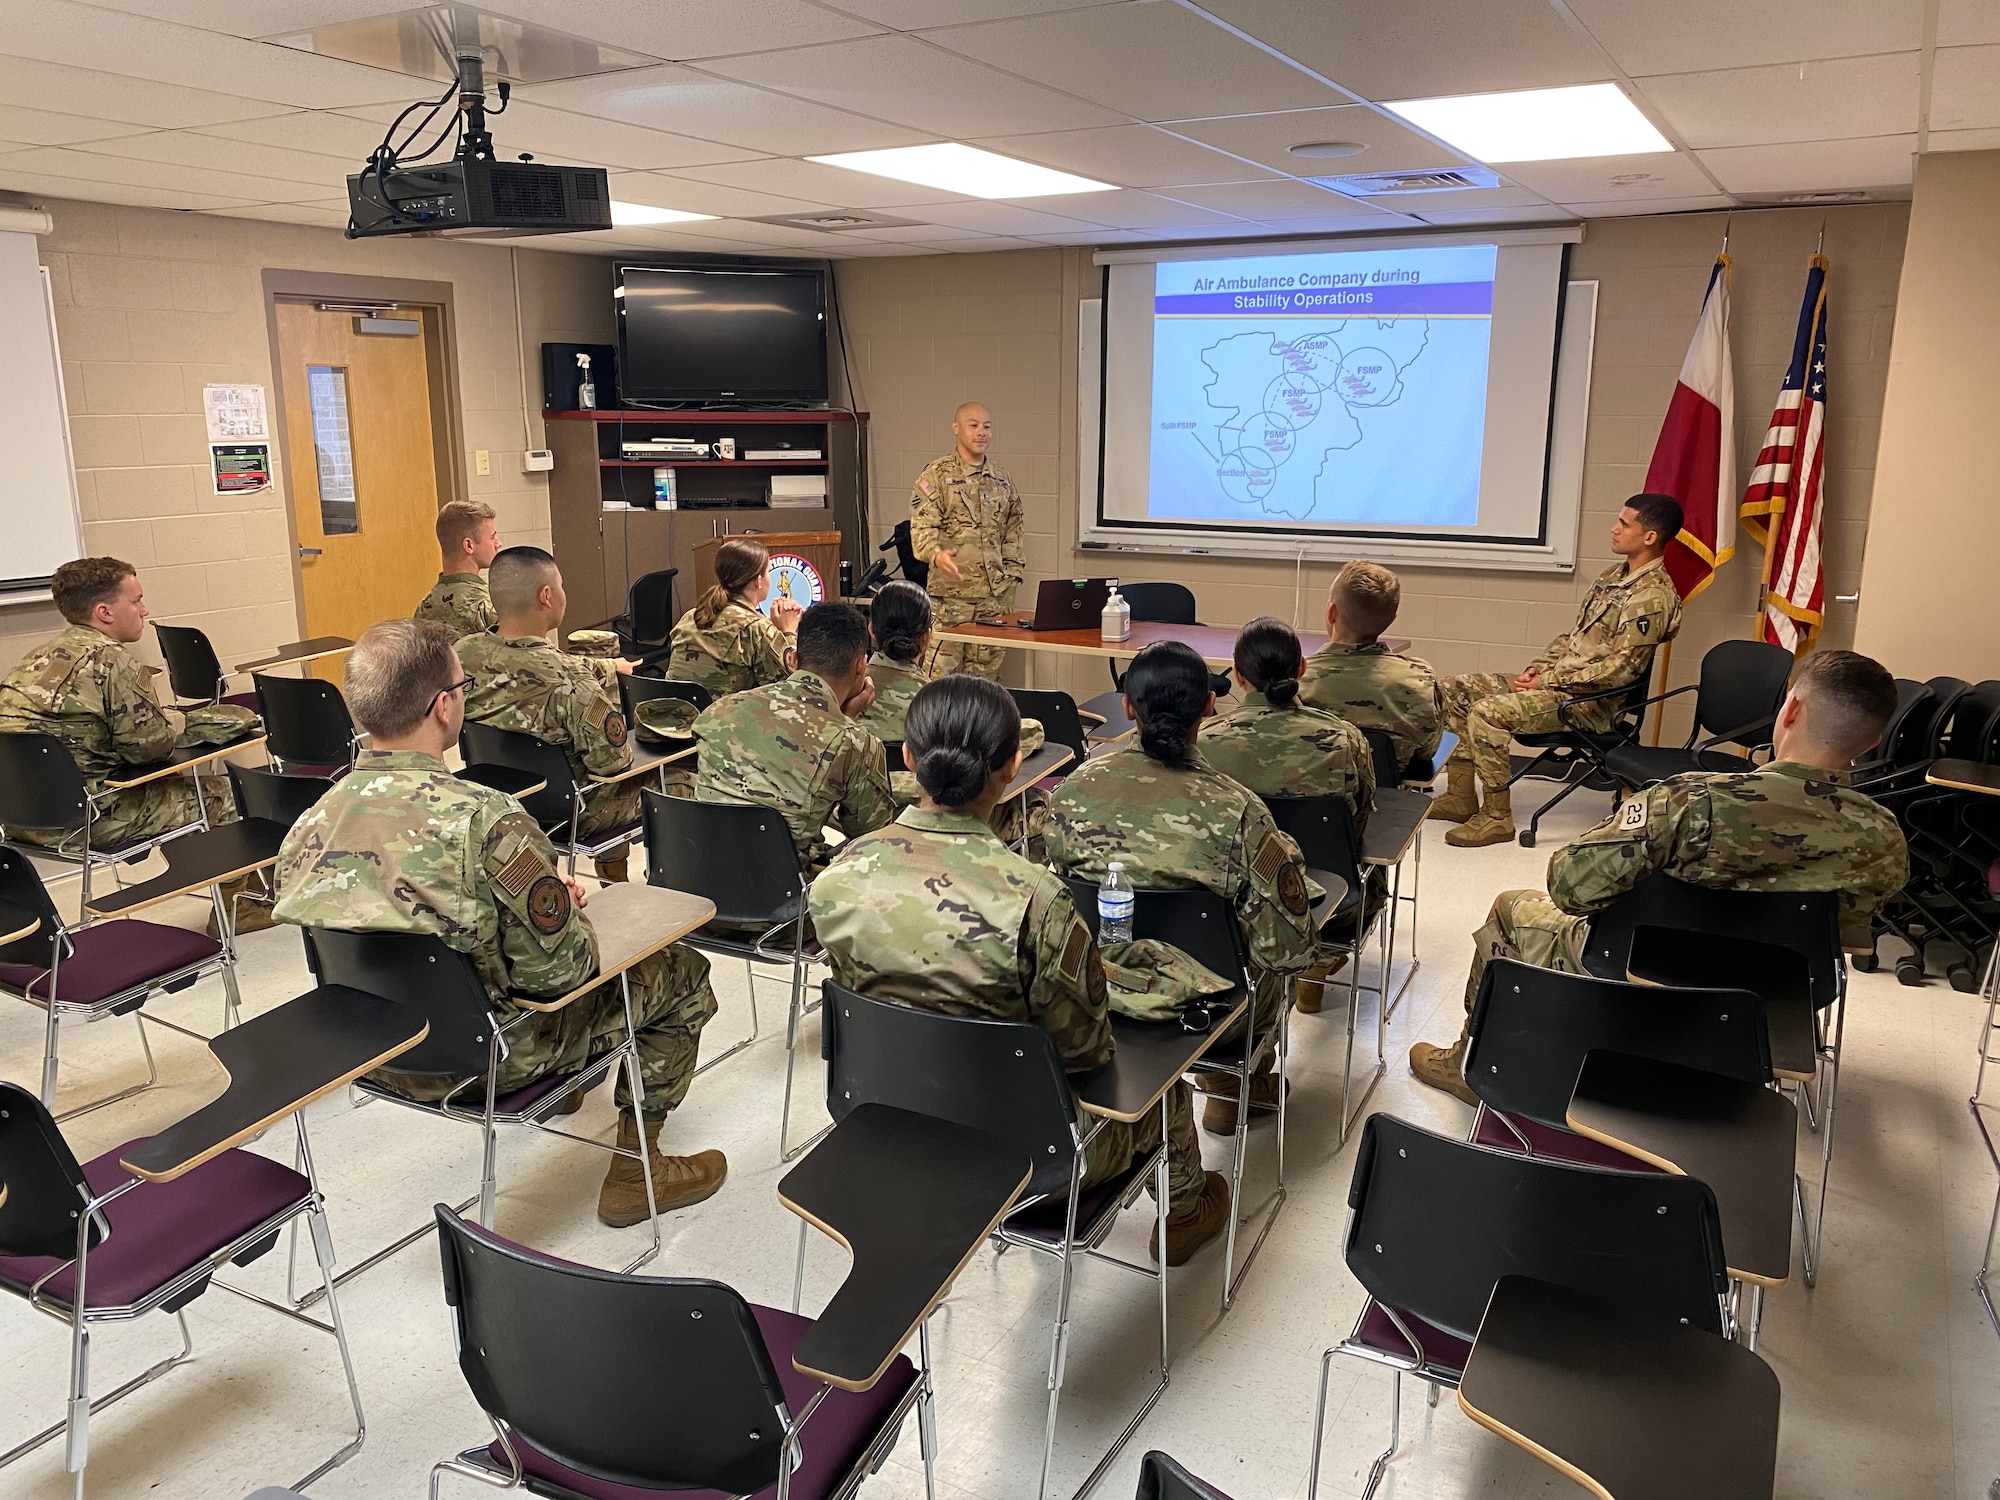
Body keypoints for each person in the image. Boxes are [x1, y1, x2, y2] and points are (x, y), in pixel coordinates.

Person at [273, 619, 725, 1224]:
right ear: (444, 705)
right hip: (490, 1058)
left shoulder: (311, 822)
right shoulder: (485, 819)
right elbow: (560, 978)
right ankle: (637, 1172)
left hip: (376, 1053)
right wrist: (560, 913)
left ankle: (570, 1095)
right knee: (682, 969)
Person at [810, 676, 1229, 1264]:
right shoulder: (1033, 899)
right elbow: (1086, 1054)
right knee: (1164, 1090)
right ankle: (1186, 1211)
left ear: (907, 757)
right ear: (1012, 766)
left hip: (885, 1126)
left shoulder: (840, 873)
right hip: (1031, 1157)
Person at [1408, 649, 1911, 1105]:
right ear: (1872, 741)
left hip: (1646, 978)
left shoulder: (1688, 801)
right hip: (1776, 999)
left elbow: (1570, 887)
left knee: (1510, 906)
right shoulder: (1885, 838)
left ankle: (1469, 1066)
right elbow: (1851, 930)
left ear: (1791, 710)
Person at [1046, 641, 1316, 1135]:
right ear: (1209, 706)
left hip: (1097, 991)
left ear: (1127, 706)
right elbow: (1289, 951)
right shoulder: (1238, 809)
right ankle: (1231, 1086)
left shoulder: (1072, 790)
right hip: (1212, 1011)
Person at [0, 558, 268, 929]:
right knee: (227, 793)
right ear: (105, 611)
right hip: (88, 821)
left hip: (19, 820)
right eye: (136, 601)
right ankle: (243, 910)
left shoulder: (33, 659)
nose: (145, 610)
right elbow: (149, 749)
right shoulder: (109, 660)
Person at [1429, 494, 1686, 848]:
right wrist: (1538, 669)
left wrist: (1548, 681)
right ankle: (1461, 797)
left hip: (1591, 704)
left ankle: (1496, 818)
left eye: (1625, 524)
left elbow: (1620, 671)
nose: (1614, 528)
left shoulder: (1652, 596)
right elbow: (1573, 638)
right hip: (1558, 686)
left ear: (1650, 537)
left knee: (1487, 712)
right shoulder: (1613, 576)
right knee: (1453, 689)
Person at [456, 547, 644, 883]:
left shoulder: (462, 656)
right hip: (575, 813)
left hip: (500, 801)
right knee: (677, 778)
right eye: (560, 586)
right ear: (546, 596)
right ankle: (649, 900)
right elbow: (612, 764)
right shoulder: (569, 679)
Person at [693, 602, 895, 874]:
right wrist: (846, 723)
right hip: (775, 901)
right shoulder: (854, 743)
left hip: (696, 884)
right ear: (861, 665)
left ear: (795, 660)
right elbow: (872, 837)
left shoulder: (720, 709)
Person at [1199, 616, 1375, 831]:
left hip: (1234, 863)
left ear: (1237, 674)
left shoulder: (1202, 741)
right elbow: (1359, 817)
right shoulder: (1345, 739)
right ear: (1301, 668)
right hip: (1324, 861)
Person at [910, 401, 1024, 680]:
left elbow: (1014, 528)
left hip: (992, 601)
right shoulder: (937, 476)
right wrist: (937, 555)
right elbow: (922, 526)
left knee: (985, 685)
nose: (981, 432)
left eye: (987, 426)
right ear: (956, 428)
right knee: (937, 683)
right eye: (973, 425)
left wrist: (1012, 575)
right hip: (950, 601)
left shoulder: (1002, 479)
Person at [1299, 560, 1442, 773]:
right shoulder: (1419, 679)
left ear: (1331, 613)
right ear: (1391, 620)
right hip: (1391, 796)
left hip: (1316, 794)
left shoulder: (1297, 679)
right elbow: (1427, 750)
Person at [665, 537, 801, 697]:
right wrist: (788, 632)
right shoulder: (755, 628)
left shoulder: (691, 616)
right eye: (768, 572)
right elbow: (791, 687)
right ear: (758, 582)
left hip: (674, 717)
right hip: (718, 720)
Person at [414, 499, 501, 639]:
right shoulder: (487, 606)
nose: (499, 543)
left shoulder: (424, 608)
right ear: (469, 545)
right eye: (492, 537)